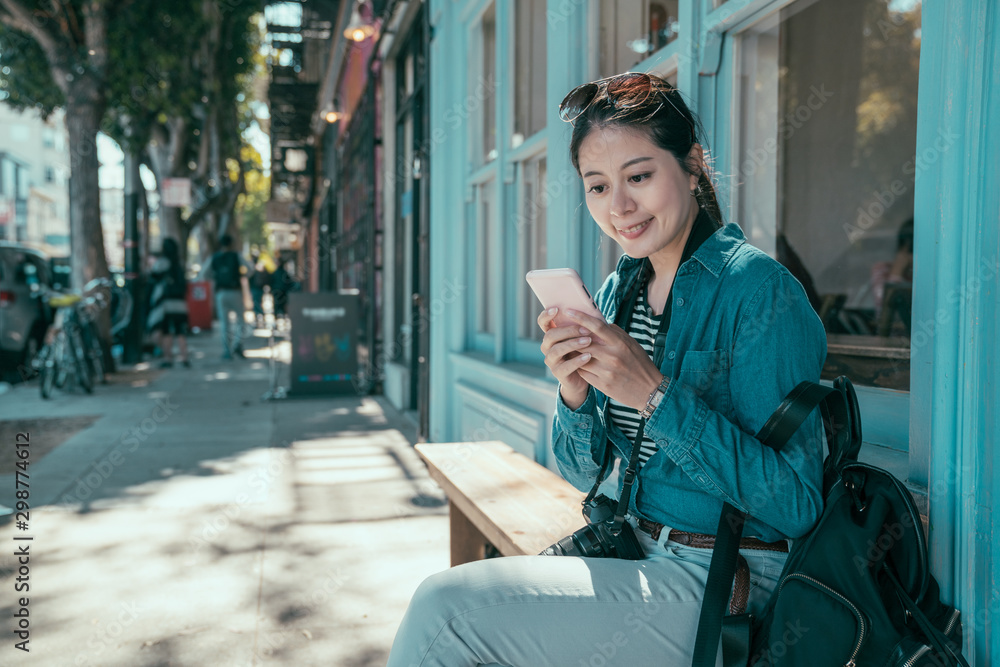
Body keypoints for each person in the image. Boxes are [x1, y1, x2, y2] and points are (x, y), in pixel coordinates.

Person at [386, 72, 827, 665]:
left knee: (448, 613)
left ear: (692, 165)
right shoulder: (623, 289)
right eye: (597, 186)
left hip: (722, 581)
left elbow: (796, 504)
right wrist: (574, 394)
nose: (619, 207)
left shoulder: (758, 292)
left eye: (639, 176)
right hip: (632, 551)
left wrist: (654, 394)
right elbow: (578, 470)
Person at [199, 234, 254, 359]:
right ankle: (238, 344)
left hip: (221, 293)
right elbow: (250, 270)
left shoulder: (214, 257)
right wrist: (241, 276)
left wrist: (215, 278)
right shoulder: (236, 256)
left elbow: (203, 274)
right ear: (231, 243)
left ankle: (227, 350)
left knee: (225, 323)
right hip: (235, 291)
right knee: (241, 320)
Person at [146, 238, 190, 368]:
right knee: (180, 331)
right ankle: (184, 357)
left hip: (165, 303)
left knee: (166, 331)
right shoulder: (179, 264)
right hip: (180, 303)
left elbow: (152, 278)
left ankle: (168, 358)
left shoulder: (162, 263)